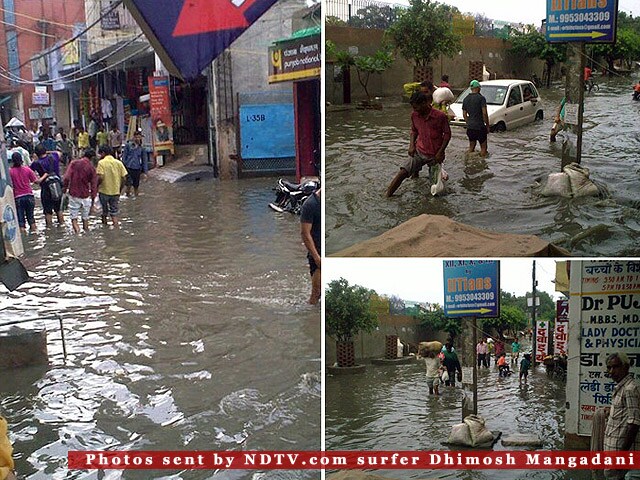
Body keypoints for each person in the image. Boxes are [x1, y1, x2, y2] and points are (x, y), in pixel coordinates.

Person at [385, 92, 451, 197]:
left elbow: (447, 134)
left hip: (435, 155)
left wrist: (440, 152)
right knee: (402, 173)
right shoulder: (414, 115)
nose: (415, 110)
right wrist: (411, 145)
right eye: (413, 108)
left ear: (425, 103)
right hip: (419, 151)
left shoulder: (440, 116)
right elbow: (414, 131)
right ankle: (387, 195)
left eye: (417, 107)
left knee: (436, 188)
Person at [603, 353, 640, 480]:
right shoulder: (621, 388)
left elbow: (634, 423)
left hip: (620, 452)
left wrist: (622, 456)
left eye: (615, 367)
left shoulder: (630, 389)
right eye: (609, 368)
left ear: (626, 367)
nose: (611, 371)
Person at [63, 148, 98, 233]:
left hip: (74, 195)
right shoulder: (92, 168)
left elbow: (66, 178)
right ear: (92, 158)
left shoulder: (73, 163)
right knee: (85, 219)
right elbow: (94, 186)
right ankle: (86, 235)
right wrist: (93, 202)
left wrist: (64, 190)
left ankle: (77, 234)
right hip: (85, 196)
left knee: (74, 218)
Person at [30, 144, 64, 227]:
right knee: (59, 209)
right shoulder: (54, 156)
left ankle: (49, 230)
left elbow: (29, 171)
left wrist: (34, 159)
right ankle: (62, 226)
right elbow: (59, 153)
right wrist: (48, 151)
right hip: (57, 186)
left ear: (36, 153)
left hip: (46, 188)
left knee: (48, 211)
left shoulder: (36, 163)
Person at [9, 152, 43, 233]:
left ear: (12, 161)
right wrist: (45, 175)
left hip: (18, 197)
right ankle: (35, 237)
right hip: (29, 196)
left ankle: (24, 240)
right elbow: (36, 181)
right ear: (21, 160)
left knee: (21, 222)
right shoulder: (27, 169)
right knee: (31, 219)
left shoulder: (10, 172)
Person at [96, 144, 128, 228]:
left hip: (104, 191)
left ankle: (105, 229)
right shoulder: (119, 163)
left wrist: (96, 186)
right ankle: (116, 229)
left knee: (104, 212)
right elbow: (124, 178)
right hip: (115, 192)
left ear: (103, 153)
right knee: (114, 214)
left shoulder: (101, 163)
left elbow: (100, 177)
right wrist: (120, 189)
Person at [300, 187, 321, 305]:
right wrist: (316, 257)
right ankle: (310, 319)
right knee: (316, 293)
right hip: (318, 254)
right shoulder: (310, 205)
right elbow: (305, 233)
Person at [462, 79, 490, 157]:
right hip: (480, 127)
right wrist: (487, 125)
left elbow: (464, 114)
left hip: (470, 128)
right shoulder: (481, 98)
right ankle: (481, 165)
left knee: (471, 148)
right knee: (483, 149)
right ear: (478, 88)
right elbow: (484, 113)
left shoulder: (465, 99)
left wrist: (469, 123)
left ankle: (468, 162)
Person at [121, 130, 149, 197]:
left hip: (137, 168)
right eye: (136, 137)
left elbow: (144, 160)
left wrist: (145, 173)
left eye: (139, 137)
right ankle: (127, 197)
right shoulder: (128, 146)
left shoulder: (142, 148)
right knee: (129, 185)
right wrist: (122, 168)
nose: (137, 139)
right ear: (133, 137)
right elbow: (124, 157)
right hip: (128, 167)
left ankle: (136, 198)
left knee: (136, 186)